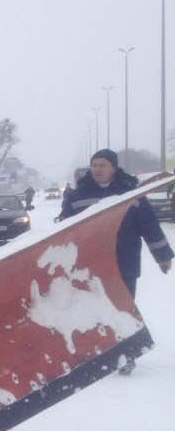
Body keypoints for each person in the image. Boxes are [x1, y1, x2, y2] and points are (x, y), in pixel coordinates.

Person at [59, 148, 173, 373]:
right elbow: (64, 232)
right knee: (92, 309)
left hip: (125, 262)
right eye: (94, 165)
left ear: (113, 168)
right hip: (88, 266)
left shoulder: (130, 193)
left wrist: (163, 256)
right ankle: (97, 353)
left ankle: (126, 355)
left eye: (102, 165)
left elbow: (148, 225)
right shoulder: (77, 196)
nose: (97, 169)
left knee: (123, 307)